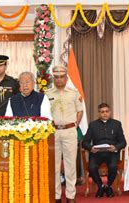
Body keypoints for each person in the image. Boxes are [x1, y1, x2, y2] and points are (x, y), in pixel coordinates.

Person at [45, 66, 84, 203]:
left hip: (69, 131)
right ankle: (56, 196)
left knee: (70, 165)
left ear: (66, 78)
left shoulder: (74, 93)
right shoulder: (47, 94)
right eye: (56, 77)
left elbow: (80, 111)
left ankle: (70, 196)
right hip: (53, 132)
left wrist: (74, 126)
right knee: (54, 166)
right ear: (53, 78)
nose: (59, 79)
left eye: (62, 77)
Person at [82, 103, 126, 198]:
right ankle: (101, 186)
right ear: (99, 113)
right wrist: (91, 148)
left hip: (112, 153)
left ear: (110, 112)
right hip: (97, 153)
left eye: (106, 111)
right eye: (102, 112)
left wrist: (116, 147)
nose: (105, 114)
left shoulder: (117, 124)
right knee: (92, 167)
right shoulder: (93, 125)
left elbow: (123, 142)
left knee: (113, 166)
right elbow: (84, 142)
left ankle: (108, 186)